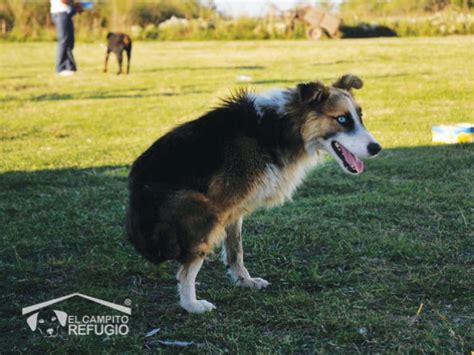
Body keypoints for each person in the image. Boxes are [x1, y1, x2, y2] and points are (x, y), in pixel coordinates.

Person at [50, 0, 83, 76]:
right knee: (63, 41)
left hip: (65, 14)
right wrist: (75, 4)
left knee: (69, 42)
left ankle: (70, 67)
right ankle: (60, 68)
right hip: (60, 14)